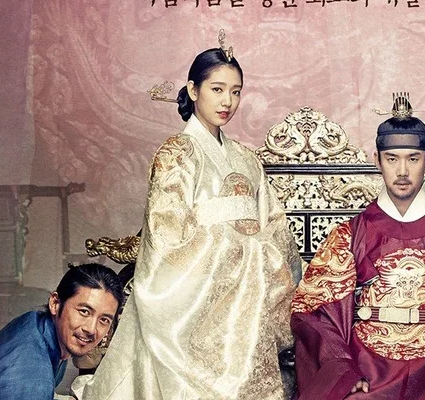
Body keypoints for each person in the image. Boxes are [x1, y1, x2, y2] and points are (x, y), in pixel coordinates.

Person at [82, 32, 302, 400]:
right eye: (217, 89)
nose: (227, 101)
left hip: (250, 294)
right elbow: (166, 236)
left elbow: (274, 226)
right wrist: (234, 249)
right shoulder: (176, 154)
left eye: (236, 91)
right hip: (199, 292)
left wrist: (262, 257)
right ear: (193, 90)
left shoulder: (247, 159)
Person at [289, 94, 425, 400]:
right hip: (367, 376)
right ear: (377, 160)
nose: (402, 171)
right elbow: (314, 310)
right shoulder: (349, 236)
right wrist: (344, 372)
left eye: (413, 159)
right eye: (392, 159)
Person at [0, 263, 123, 400]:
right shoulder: (28, 378)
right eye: (84, 311)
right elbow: (25, 383)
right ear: (55, 303)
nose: (91, 329)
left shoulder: (38, 325)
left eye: (104, 320)